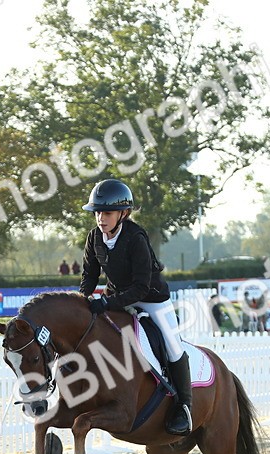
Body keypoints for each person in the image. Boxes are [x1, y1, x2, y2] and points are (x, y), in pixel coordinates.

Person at [79, 178, 192, 436]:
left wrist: (107, 302)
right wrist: (83, 299)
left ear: (123, 213)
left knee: (173, 346)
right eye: (97, 212)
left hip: (151, 299)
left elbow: (141, 287)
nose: (100, 218)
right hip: (117, 298)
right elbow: (89, 275)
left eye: (106, 212)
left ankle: (184, 406)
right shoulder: (95, 237)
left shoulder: (135, 237)